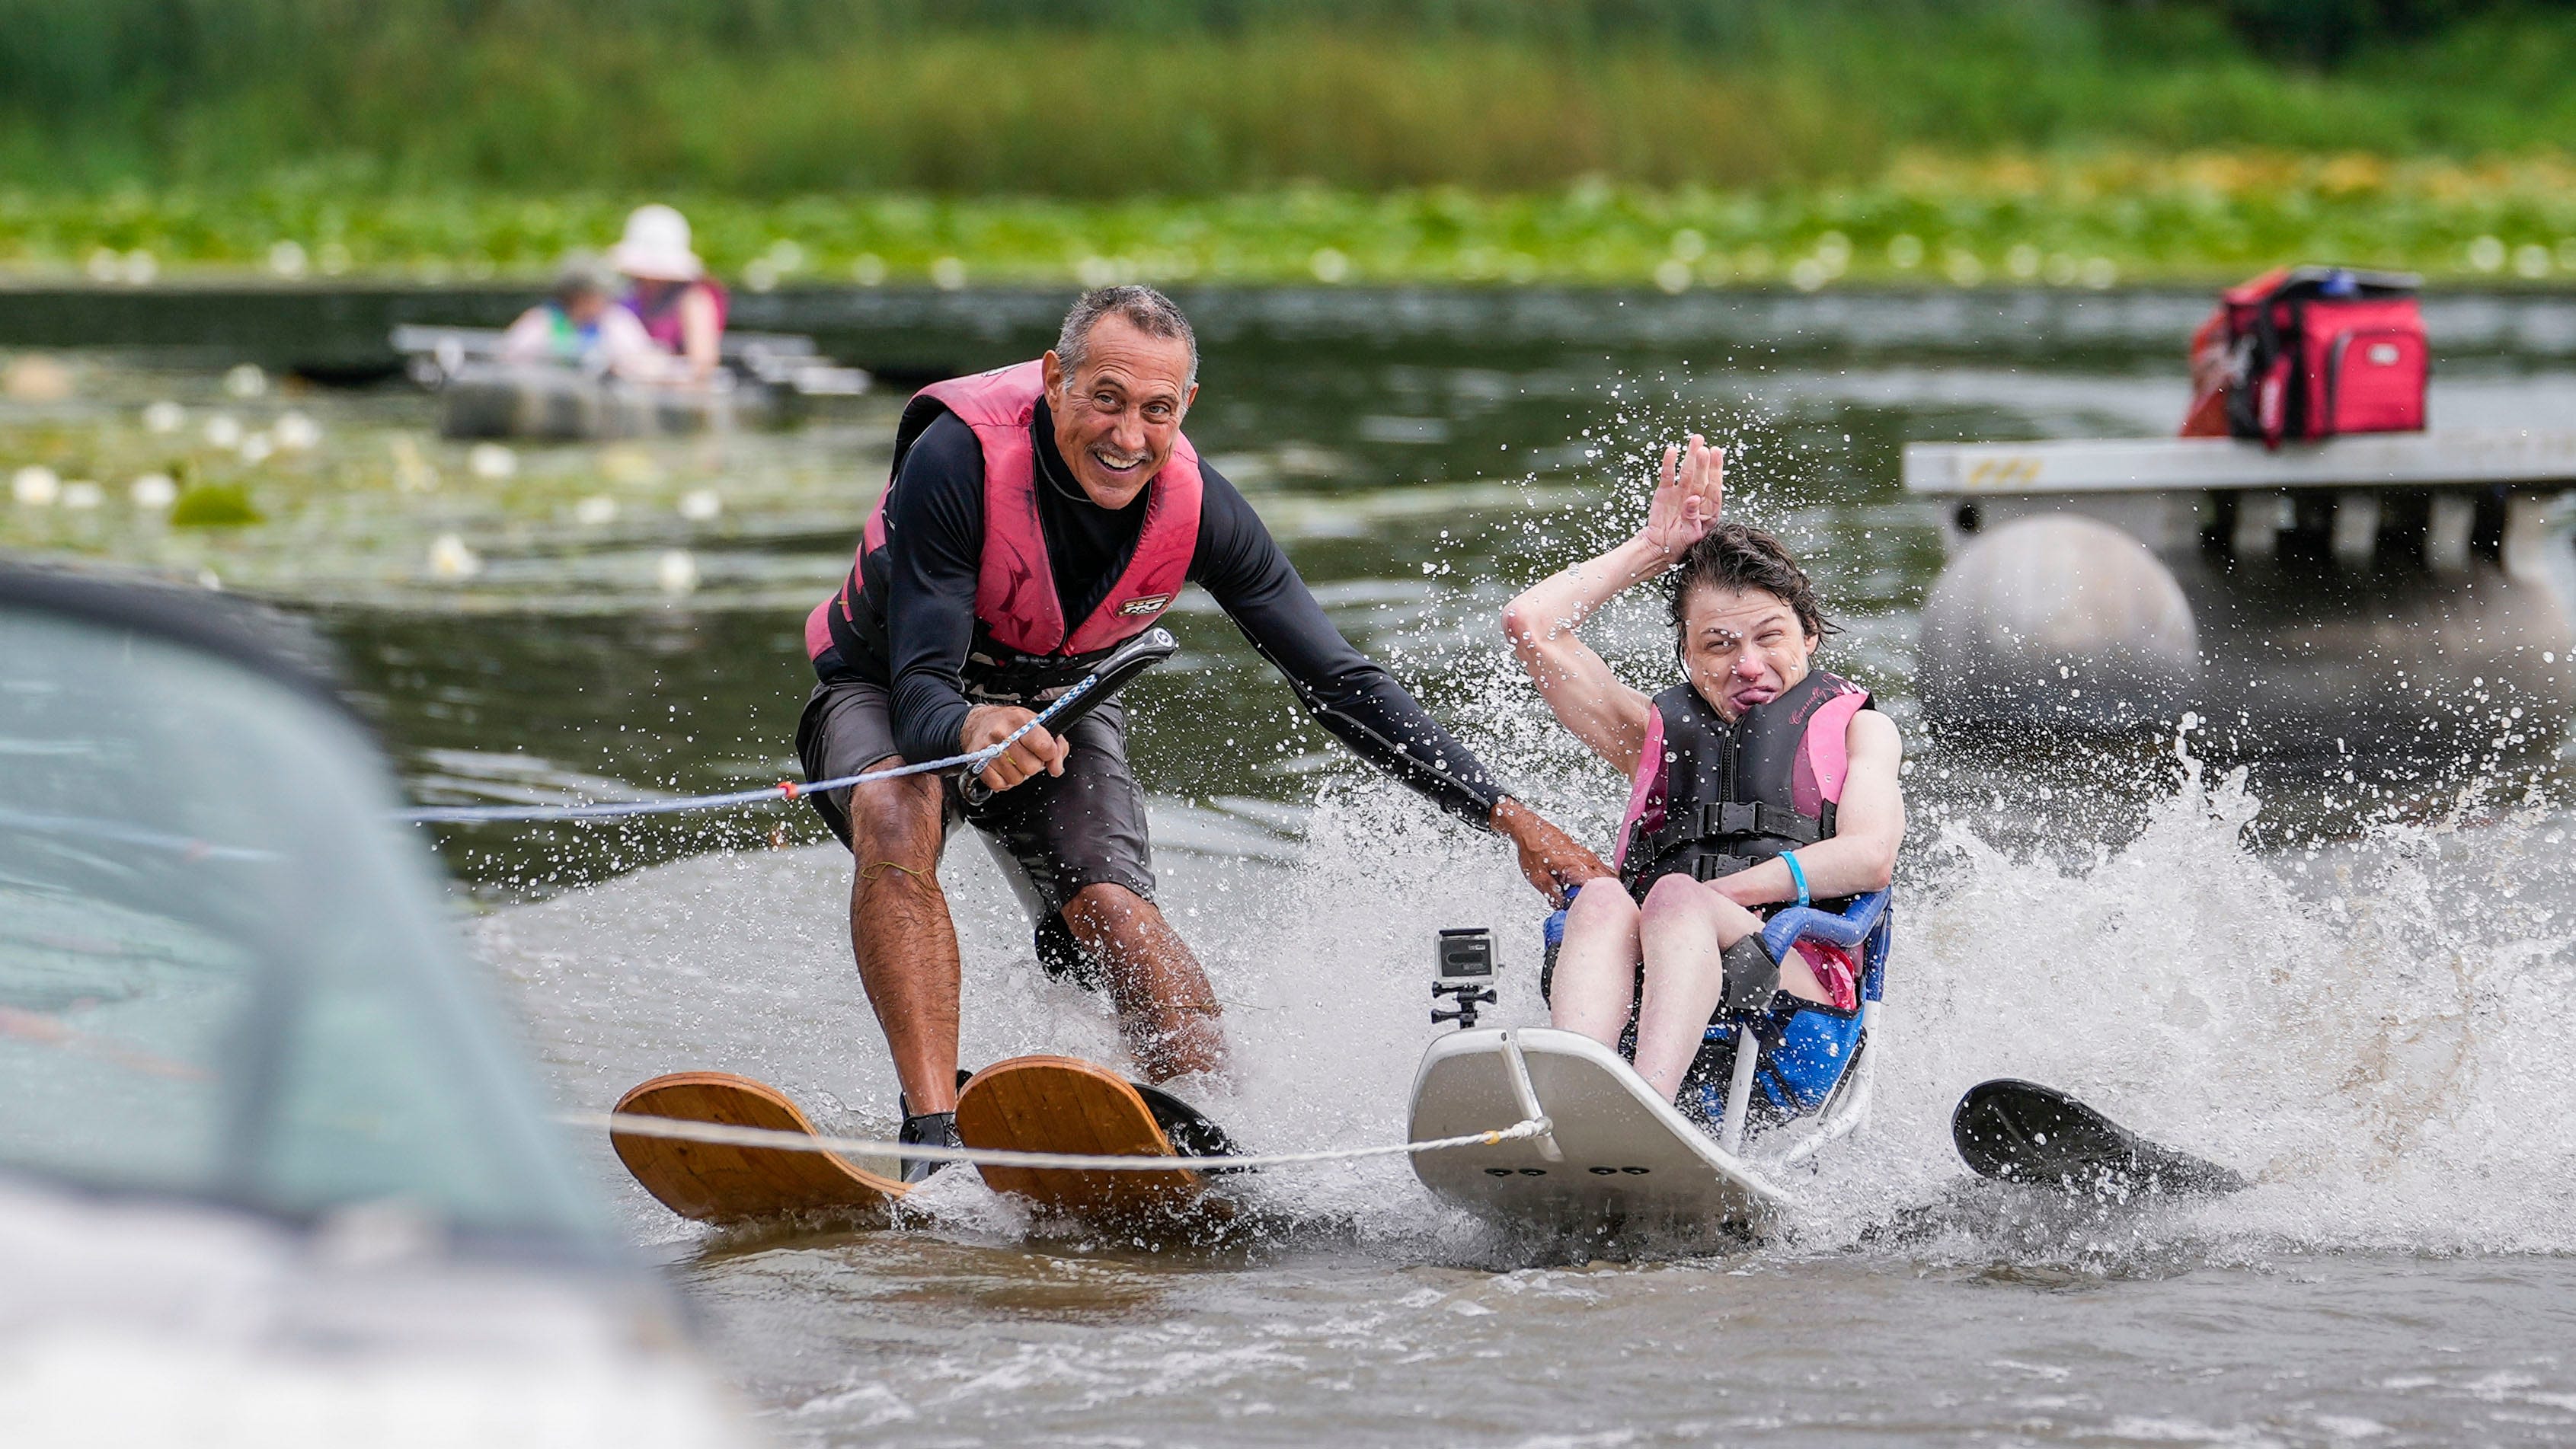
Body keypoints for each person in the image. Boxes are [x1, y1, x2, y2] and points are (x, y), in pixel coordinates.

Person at [800, 286, 1609, 1177]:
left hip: (1062, 696)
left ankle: (1209, 1140)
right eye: (1105, 397)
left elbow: (1339, 680)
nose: (1127, 436)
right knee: (894, 807)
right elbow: (920, 692)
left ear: (1184, 408)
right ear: (1053, 380)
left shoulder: (1200, 506)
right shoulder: (958, 457)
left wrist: (1506, 815)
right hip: (890, 686)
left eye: (1155, 410)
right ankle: (932, 1135)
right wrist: (969, 718)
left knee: (1114, 911)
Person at [1501, 439, 1903, 1126]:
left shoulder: (1858, 730)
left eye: (1769, 637)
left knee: (1674, 900)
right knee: (1599, 901)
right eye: (1718, 645)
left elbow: (1871, 855)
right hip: (1655, 983)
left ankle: (1643, 1116)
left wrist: (1706, 897)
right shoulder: (1649, 733)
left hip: (1796, 1008)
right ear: (1687, 657)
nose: (1747, 664)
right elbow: (1530, 626)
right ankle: (1572, 1111)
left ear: (1809, 637)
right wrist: (1653, 549)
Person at [610, 205, 725, 385]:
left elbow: (703, 363)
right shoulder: (631, 293)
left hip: (677, 394)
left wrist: (659, 370)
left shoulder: (694, 299)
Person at [499, 254, 663, 377]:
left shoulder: (616, 322)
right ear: (577, 296)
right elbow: (509, 364)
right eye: (598, 294)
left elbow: (644, 365)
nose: (605, 299)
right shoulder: (541, 322)